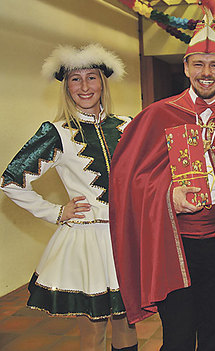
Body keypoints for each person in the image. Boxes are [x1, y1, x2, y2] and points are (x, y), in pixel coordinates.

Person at [108, 14, 215, 351]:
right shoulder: (156, 115)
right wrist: (168, 194)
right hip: (172, 247)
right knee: (177, 337)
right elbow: (126, 181)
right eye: (198, 64)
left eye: (214, 64)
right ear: (185, 66)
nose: (205, 72)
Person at [0, 44, 138, 351]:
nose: (85, 86)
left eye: (92, 77)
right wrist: (57, 212)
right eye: (76, 79)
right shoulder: (56, 132)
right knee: (93, 331)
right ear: (66, 86)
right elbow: (10, 180)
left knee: (127, 325)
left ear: (103, 82)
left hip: (126, 239)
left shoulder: (128, 125)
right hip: (88, 242)